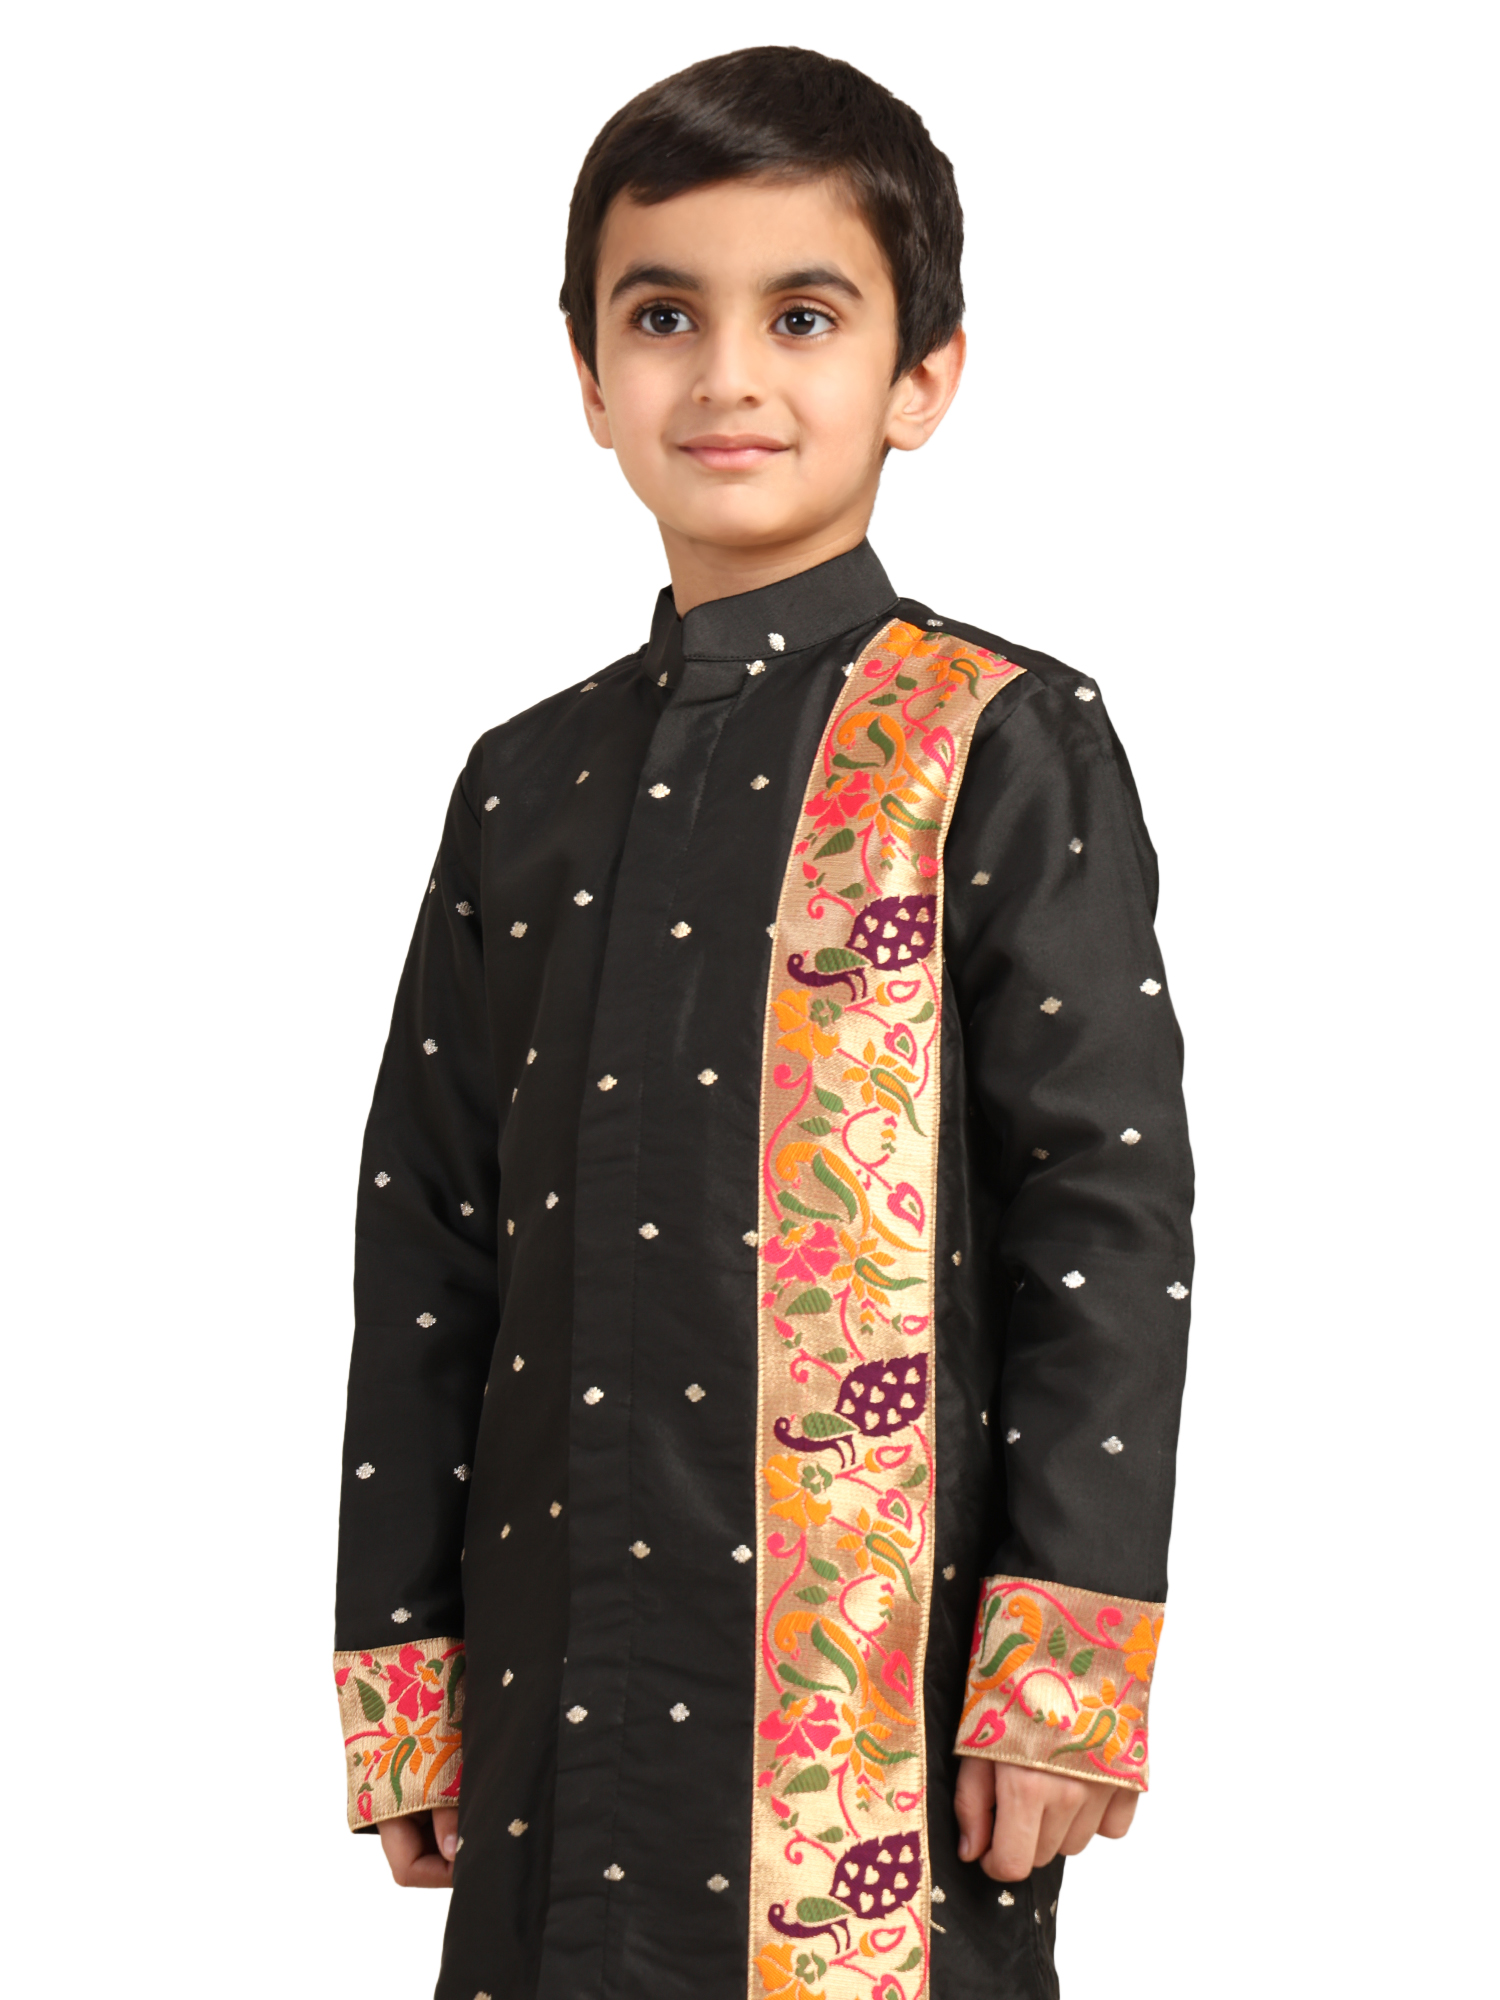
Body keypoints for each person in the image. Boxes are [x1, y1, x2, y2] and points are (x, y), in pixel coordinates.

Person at [331, 44, 1194, 2000]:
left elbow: (1104, 1209)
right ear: (588, 378)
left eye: (803, 317)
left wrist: (1062, 1664)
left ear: (922, 376)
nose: (728, 376)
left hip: (876, 1680)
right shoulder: (523, 786)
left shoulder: (993, 739)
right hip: (557, 1663)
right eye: (664, 318)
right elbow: (429, 1238)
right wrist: (405, 1666)